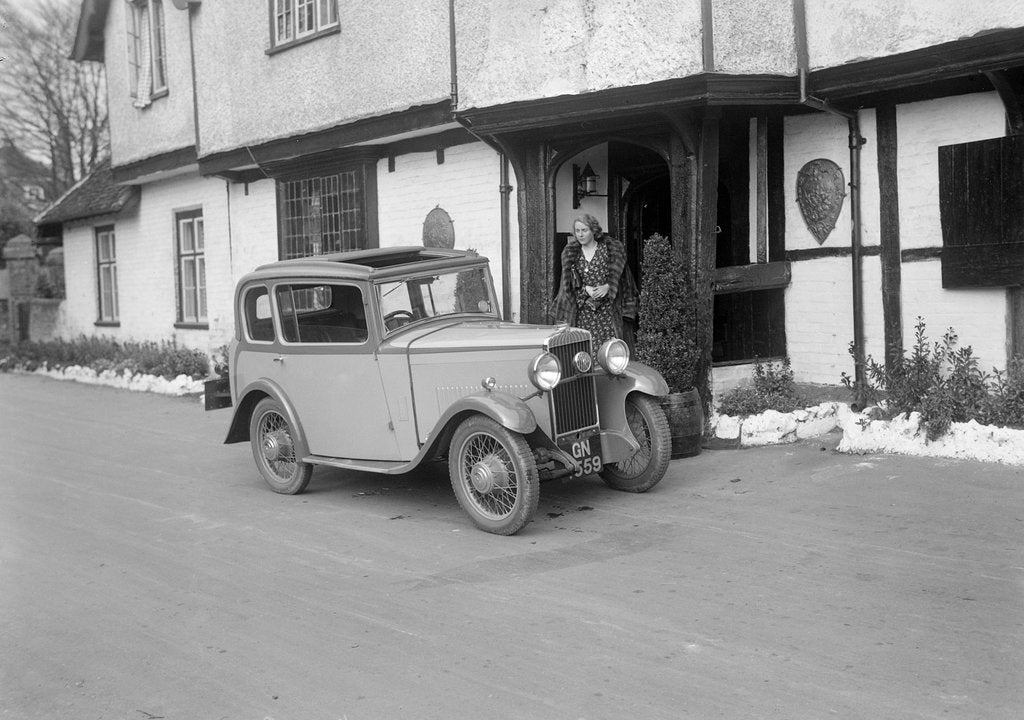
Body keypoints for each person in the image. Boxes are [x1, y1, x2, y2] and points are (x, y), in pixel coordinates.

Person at [551, 213, 634, 350]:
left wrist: (608, 286)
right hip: (583, 313)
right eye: (577, 231)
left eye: (584, 230)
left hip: (608, 312)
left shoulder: (609, 250)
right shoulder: (572, 253)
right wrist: (585, 289)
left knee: (609, 351)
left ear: (593, 230)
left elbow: (624, 280)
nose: (580, 234)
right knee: (584, 350)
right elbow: (568, 286)